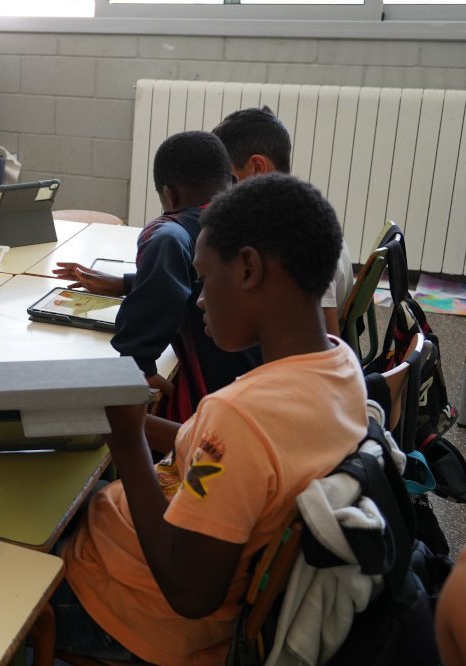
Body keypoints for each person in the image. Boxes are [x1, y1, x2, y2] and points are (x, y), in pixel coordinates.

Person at [55, 173, 368, 665]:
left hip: (133, 612)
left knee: (8, 551)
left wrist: (129, 444)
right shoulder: (338, 364)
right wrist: (134, 422)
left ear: (248, 269)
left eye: (204, 278)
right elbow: (236, 458)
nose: (198, 299)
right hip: (144, 564)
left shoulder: (239, 416)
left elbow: (190, 592)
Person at [61, 131, 260, 422]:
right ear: (231, 180)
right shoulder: (255, 216)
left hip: (216, 407)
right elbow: (200, 282)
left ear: (170, 194)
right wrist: (127, 283)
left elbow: (168, 249)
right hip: (260, 385)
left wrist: (138, 365)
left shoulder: (169, 232)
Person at [212, 106, 355, 335]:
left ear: (257, 168)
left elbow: (328, 342)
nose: (222, 191)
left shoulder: (299, 242)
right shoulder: (298, 210)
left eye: (229, 178)